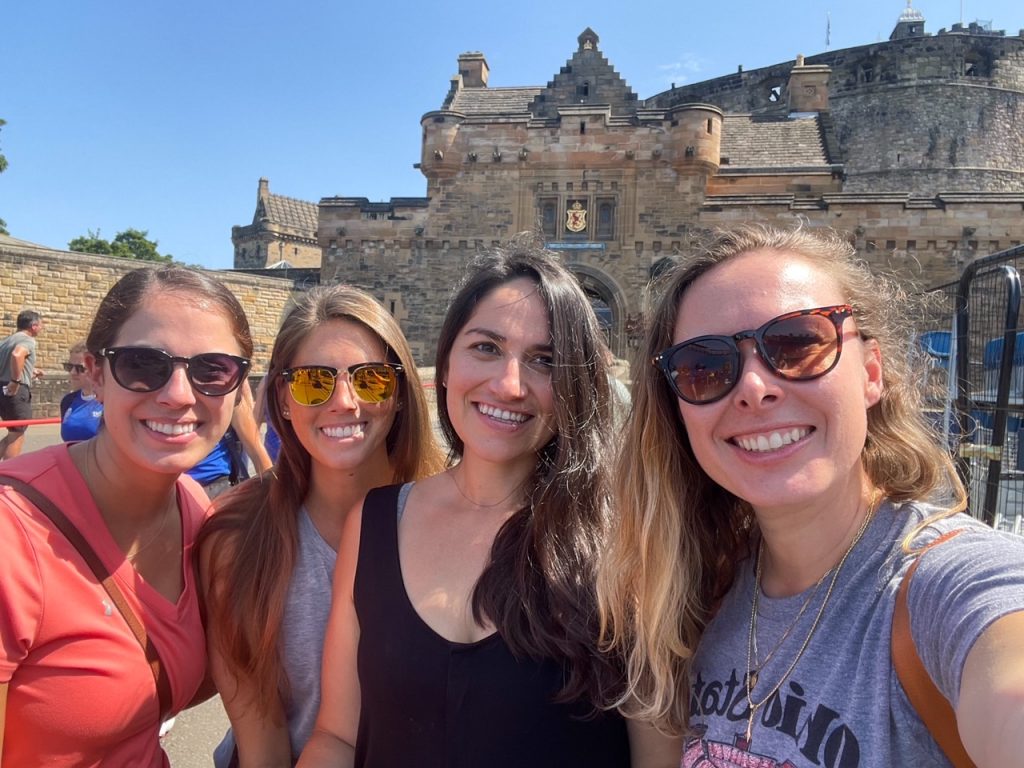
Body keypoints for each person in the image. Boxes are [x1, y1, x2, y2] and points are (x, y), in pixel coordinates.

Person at [597, 224, 1024, 766]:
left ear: (872, 374)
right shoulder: (691, 594)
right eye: (704, 366)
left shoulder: (951, 588)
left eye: (798, 343)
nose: (755, 387)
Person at [299, 241, 680, 767]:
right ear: (447, 362)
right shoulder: (377, 522)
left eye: (545, 360)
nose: (509, 384)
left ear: (576, 384)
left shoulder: (625, 539)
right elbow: (338, 737)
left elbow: (658, 758)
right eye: (486, 347)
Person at [0, 266, 254, 767]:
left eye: (213, 369)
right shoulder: (12, 535)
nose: (180, 394)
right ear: (94, 373)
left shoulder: (193, 508)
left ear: (239, 387)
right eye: (143, 363)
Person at [200, 285, 444, 767]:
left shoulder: (449, 515)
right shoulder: (238, 533)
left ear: (398, 394)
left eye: (371, 379)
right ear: (284, 401)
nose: (345, 401)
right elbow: (262, 741)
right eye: (315, 381)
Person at [0, 309, 45, 459]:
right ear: (33, 326)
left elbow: (8, 364)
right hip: (15, 391)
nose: (42, 328)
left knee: (13, 432)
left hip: (2, 390)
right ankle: (7, 477)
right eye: (41, 325)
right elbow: (17, 355)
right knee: (17, 435)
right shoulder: (27, 340)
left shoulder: (6, 341)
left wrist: (30, 372)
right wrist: (15, 381)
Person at [60, 340, 103, 441]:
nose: (73, 372)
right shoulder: (68, 401)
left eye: (80, 368)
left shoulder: (109, 402)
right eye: (69, 367)